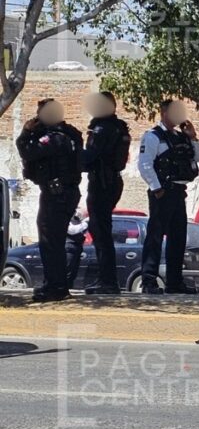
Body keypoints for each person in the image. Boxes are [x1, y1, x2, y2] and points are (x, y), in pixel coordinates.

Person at [16, 99, 84, 302]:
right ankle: (58, 285)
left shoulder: (53, 139)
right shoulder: (70, 134)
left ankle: (55, 287)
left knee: (50, 242)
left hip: (56, 194)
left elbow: (27, 150)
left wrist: (27, 132)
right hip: (68, 192)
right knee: (56, 241)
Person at [137, 99, 199, 295]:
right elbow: (145, 164)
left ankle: (175, 282)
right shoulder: (153, 136)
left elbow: (196, 157)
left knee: (178, 238)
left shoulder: (182, 137)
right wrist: (156, 188)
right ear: (164, 112)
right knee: (155, 238)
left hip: (178, 192)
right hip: (162, 192)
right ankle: (149, 281)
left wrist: (193, 137)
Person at [82, 91, 132, 294]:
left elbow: (90, 158)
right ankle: (107, 280)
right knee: (102, 230)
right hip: (113, 181)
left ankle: (108, 281)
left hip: (102, 182)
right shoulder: (119, 127)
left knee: (100, 231)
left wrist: (73, 156)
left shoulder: (102, 129)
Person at [65, 209, 88, 288]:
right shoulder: (64, 218)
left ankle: (68, 288)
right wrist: (86, 223)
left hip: (76, 247)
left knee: (73, 273)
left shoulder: (76, 219)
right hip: (69, 247)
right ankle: (64, 289)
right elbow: (72, 230)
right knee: (67, 272)